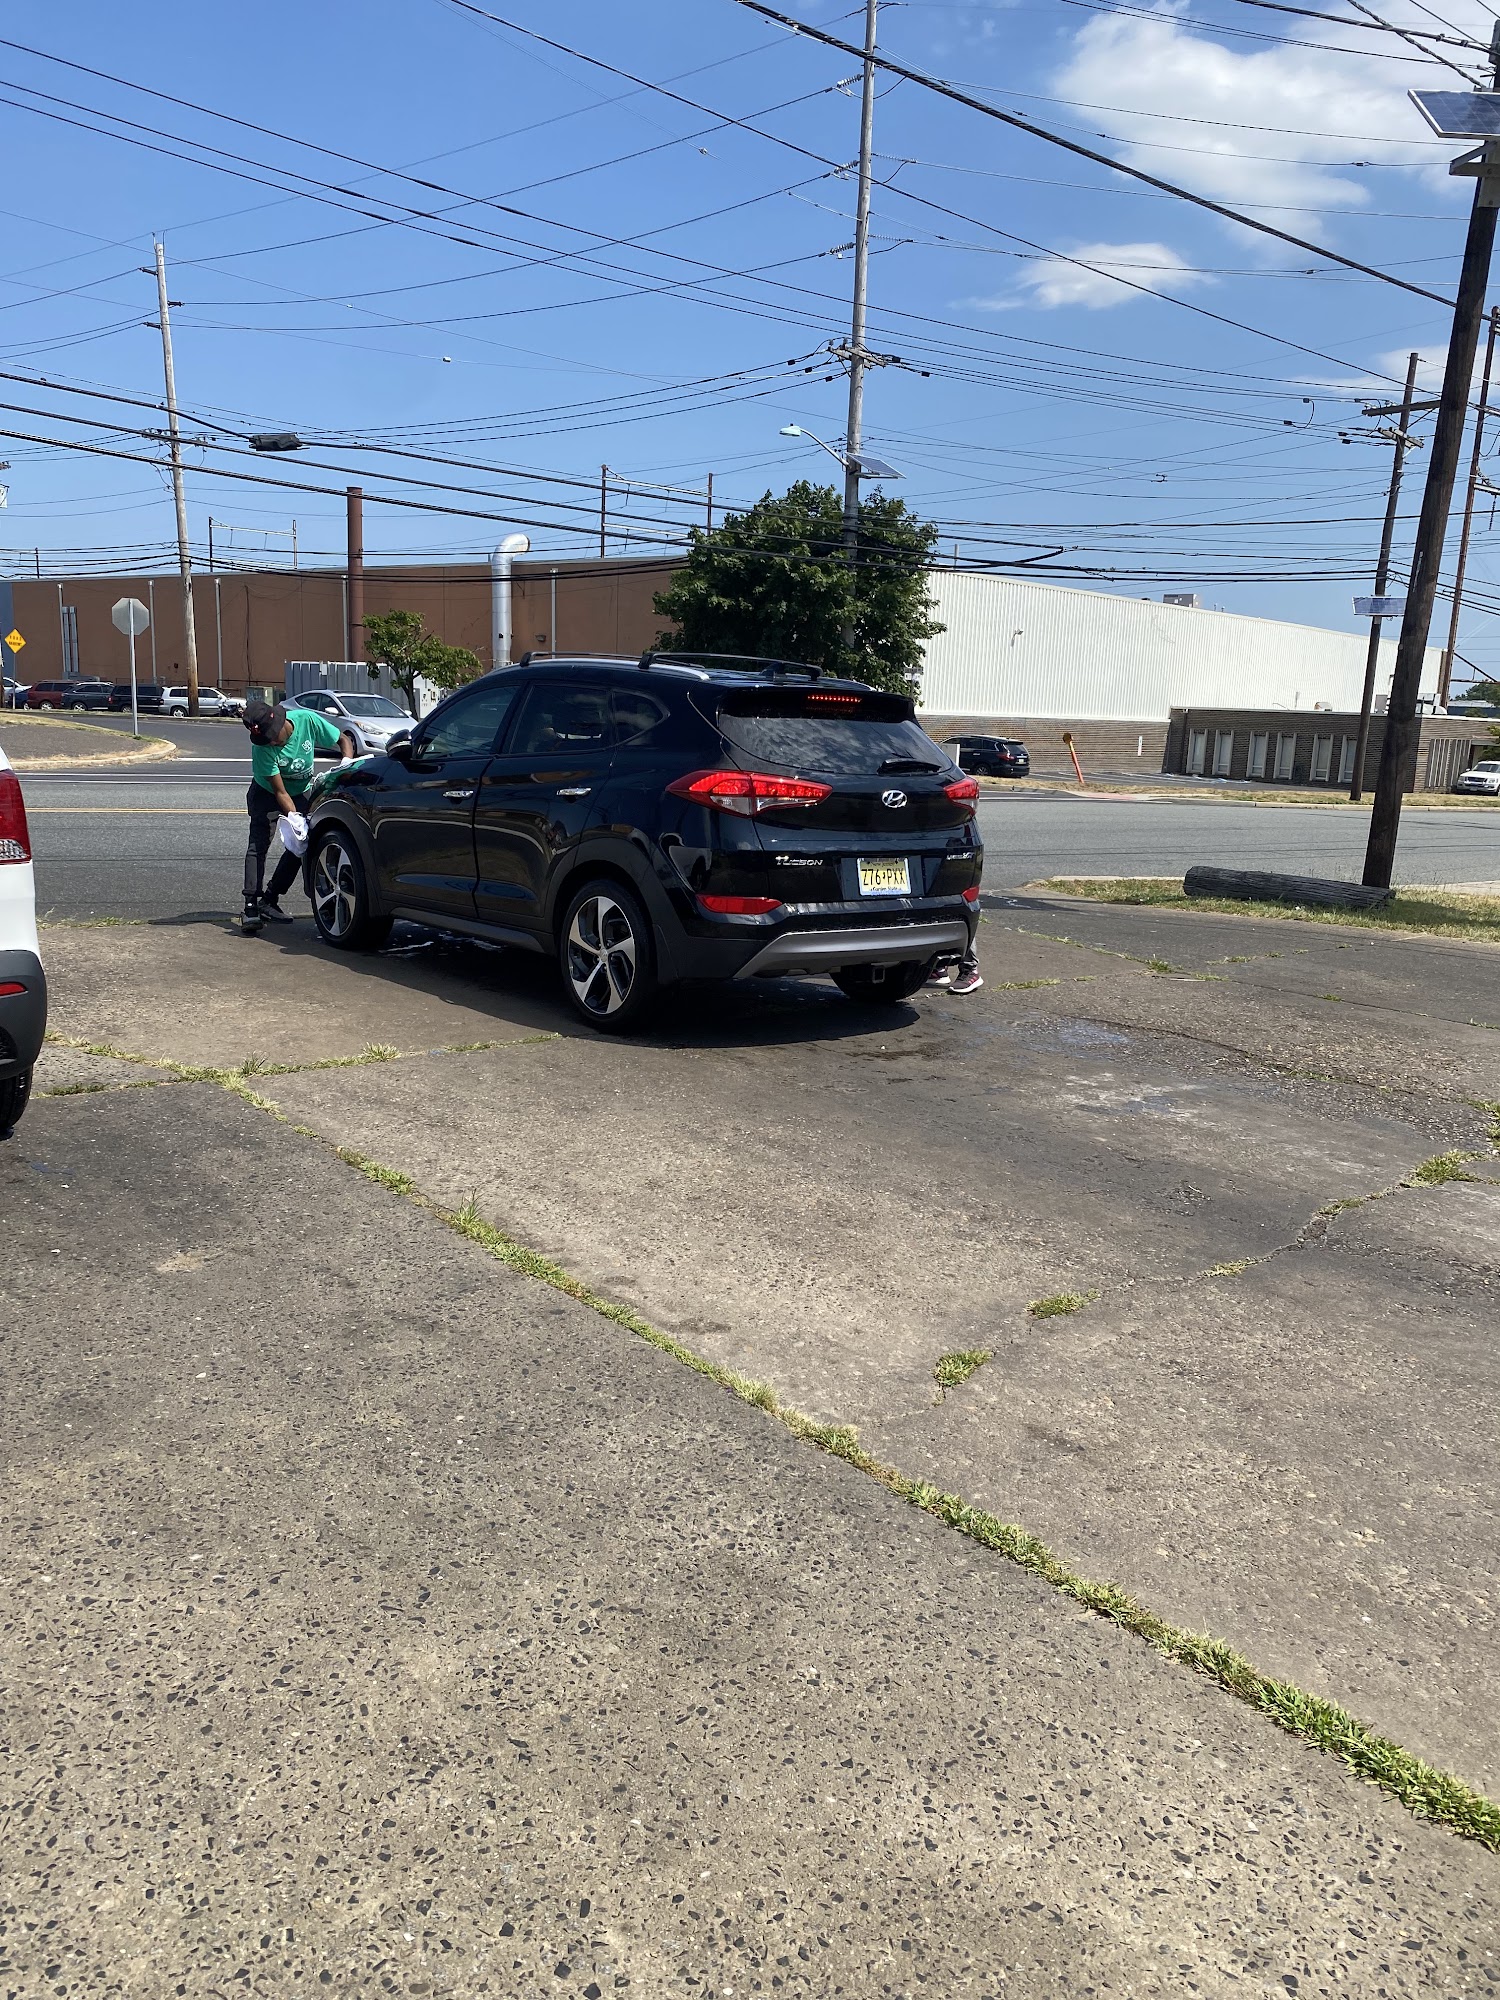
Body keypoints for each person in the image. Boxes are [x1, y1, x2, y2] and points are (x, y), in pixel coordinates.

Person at [240, 698, 354, 933]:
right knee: (258, 845)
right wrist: (293, 817)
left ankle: (269, 899)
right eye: (266, 740)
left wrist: (345, 764)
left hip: (300, 791)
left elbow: (343, 740)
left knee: (299, 845)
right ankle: (251, 906)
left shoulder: (307, 721)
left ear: (281, 723)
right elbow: (280, 792)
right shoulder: (262, 748)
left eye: (273, 737)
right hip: (267, 793)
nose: (271, 742)